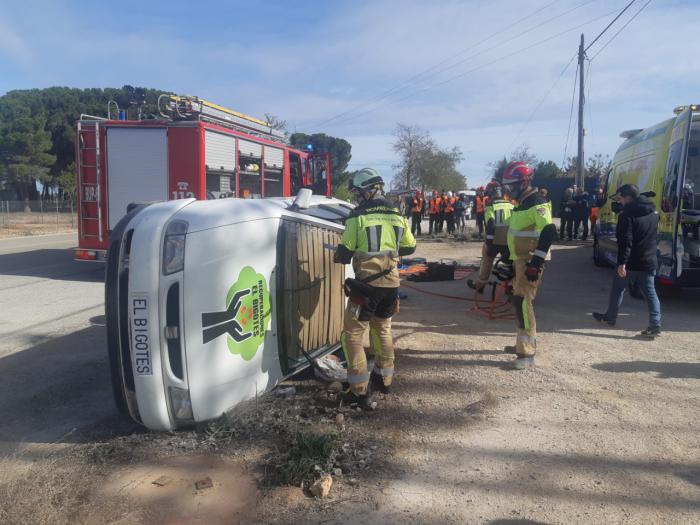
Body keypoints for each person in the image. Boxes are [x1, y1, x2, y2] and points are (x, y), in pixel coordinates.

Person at [335, 168, 417, 409]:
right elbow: (410, 247)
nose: (357, 198)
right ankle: (385, 379)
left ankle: (359, 390)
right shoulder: (396, 213)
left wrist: (340, 255)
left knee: (352, 335)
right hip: (391, 285)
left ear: (367, 191)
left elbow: (344, 251)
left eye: (358, 193)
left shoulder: (357, 216)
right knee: (383, 330)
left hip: (366, 288)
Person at [502, 161, 557, 369]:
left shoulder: (537, 202)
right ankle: (521, 344)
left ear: (524, 182)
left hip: (530, 261)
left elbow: (549, 231)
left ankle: (527, 353)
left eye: (511, 186)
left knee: (523, 303)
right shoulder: (521, 203)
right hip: (520, 260)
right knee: (517, 301)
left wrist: (536, 262)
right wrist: (509, 260)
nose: (509, 191)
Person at [593, 184, 661, 338]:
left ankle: (610, 317)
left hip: (631, 262)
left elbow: (626, 241)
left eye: (620, 198)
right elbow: (654, 237)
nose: (619, 202)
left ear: (628, 197)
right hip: (649, 260)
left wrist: (622, 263)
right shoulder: (654, 212)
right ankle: (655, 324)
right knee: (650, 292)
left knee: (618, 289)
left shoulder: (626, 216)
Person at [468, 180, 514, 291]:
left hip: (495, 240)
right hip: (510, 241)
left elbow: (491, 225)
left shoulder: (491, 207)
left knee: (487, 260)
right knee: (509, 263)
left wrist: (489, 243)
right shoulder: (511, 206)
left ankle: (480, 285)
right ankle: (510, 286)